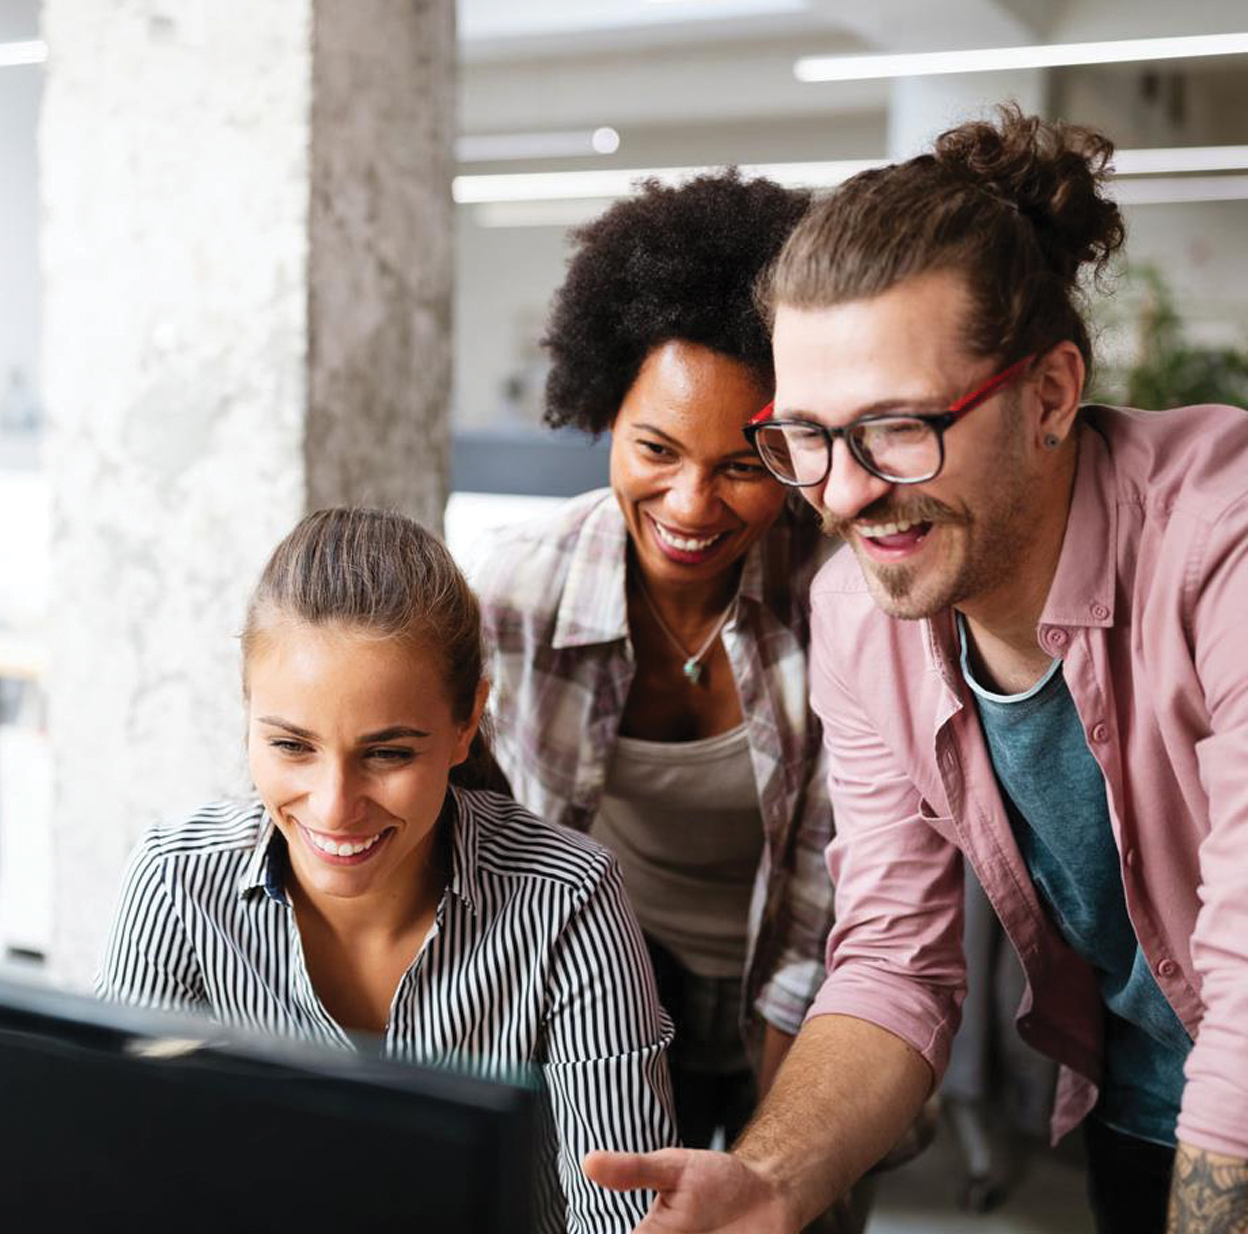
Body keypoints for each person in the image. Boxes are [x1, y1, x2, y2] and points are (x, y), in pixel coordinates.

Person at [584, 106, 1248, 1234]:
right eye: (803, 437)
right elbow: (894, 955)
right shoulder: (863, 609)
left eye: (896, 428)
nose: (841, 495)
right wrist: (776, 1178)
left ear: (1049, 394)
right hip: (1153, 1095)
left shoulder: (1221, 545)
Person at [97, 507, 677, 1234]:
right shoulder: (176, 882)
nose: (335, 808)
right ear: (248, 717)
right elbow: (118, 1182)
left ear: (467, 722)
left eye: (388, 753)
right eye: (291, 746)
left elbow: (623, 1215)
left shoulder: (568, 900)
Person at [472, 170, 842, 1160]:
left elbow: (826, 903)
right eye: (656, 449)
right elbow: (504, 846)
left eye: (742, 463)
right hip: (620, 971)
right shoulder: (519, 594)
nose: (688, 504)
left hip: (815, 985)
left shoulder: (843, 604)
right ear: (602, 412)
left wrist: (781, 1159)